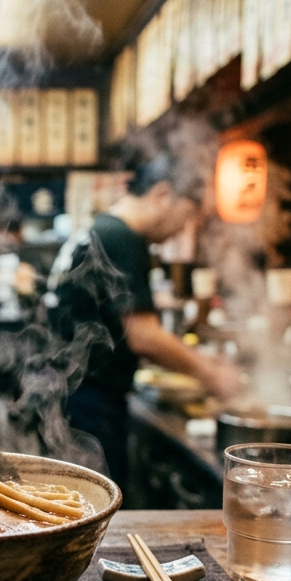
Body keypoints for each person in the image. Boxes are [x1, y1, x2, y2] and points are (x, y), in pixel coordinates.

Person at [45, 151, 242, 488]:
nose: (182, 228)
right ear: (163, 194)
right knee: (100, 509)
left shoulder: (100, 228)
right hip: (91, 402)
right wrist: (211, 374)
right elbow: (143, 336)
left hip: (68, 395)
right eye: (187, 216)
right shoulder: (123, 237)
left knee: (76, 503)